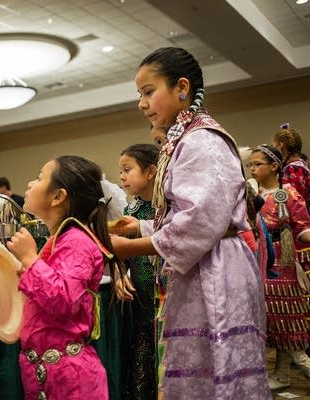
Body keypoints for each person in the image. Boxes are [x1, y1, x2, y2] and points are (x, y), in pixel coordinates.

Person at [109, 47, 271, 398]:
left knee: (217, 371)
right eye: (140, 94)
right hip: (204, 265)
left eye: (148, 92)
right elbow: (185, 216)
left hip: (215, 269)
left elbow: (200, 222)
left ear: (182, 88)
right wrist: (138, 227)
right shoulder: (185, 138)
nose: (141, 103)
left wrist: (131, 246)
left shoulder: (202, 140)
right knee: (201, 372)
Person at [6, 155, 128, 400]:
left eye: (40, 177)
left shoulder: (77, 242)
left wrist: (30, 260)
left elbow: (63, 301)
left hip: (71, 380)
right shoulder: (59, 240)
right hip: (47, 376)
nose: (30, 184)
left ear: (58, 196)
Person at [248, 144, 310, 390]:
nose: (252, 169)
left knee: (286, 319)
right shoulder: (251, 195)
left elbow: (302, 229)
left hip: (282, 262)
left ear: (274, 166)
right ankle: (282, 374)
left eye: (257, 164)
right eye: (250, 165)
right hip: (258, 260)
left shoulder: (289, 194)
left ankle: (298, 364)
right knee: (275, 321)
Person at [118, 143, 159, 400]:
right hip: (142, 301)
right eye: (120, 171)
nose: (122, 176)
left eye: (127, 169)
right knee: (142, 352)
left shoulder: (167, 209)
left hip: (166, 296)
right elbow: (118, 255)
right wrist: (121, 274)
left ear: (152, 171)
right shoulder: (128, 212)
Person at [272, 124, 309, 214]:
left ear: (280, 145)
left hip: (299, 221)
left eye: (273, 146)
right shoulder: (298, 166)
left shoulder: (293, 169)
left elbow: (294, 202)